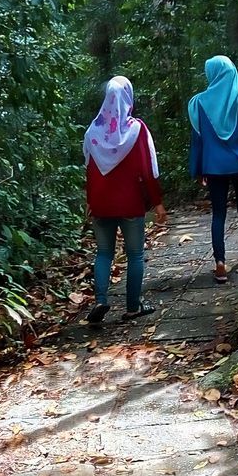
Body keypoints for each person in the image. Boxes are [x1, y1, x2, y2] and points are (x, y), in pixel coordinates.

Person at [84, 75, 166, 326]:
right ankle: (133, 306)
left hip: (100, 203)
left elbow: (88, 168)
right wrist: (158, 202)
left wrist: (89, 201)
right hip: (130, 203)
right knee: (135, 255)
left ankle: (100, 299)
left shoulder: (92, 132)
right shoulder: (137, 129)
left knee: (104, 253)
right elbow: (148, 169)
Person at [188, 55, 238, 283]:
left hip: (214, 167)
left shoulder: (197, 103)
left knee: (218, 213)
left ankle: (220, 263)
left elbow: (197, 140)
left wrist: (197, 169)